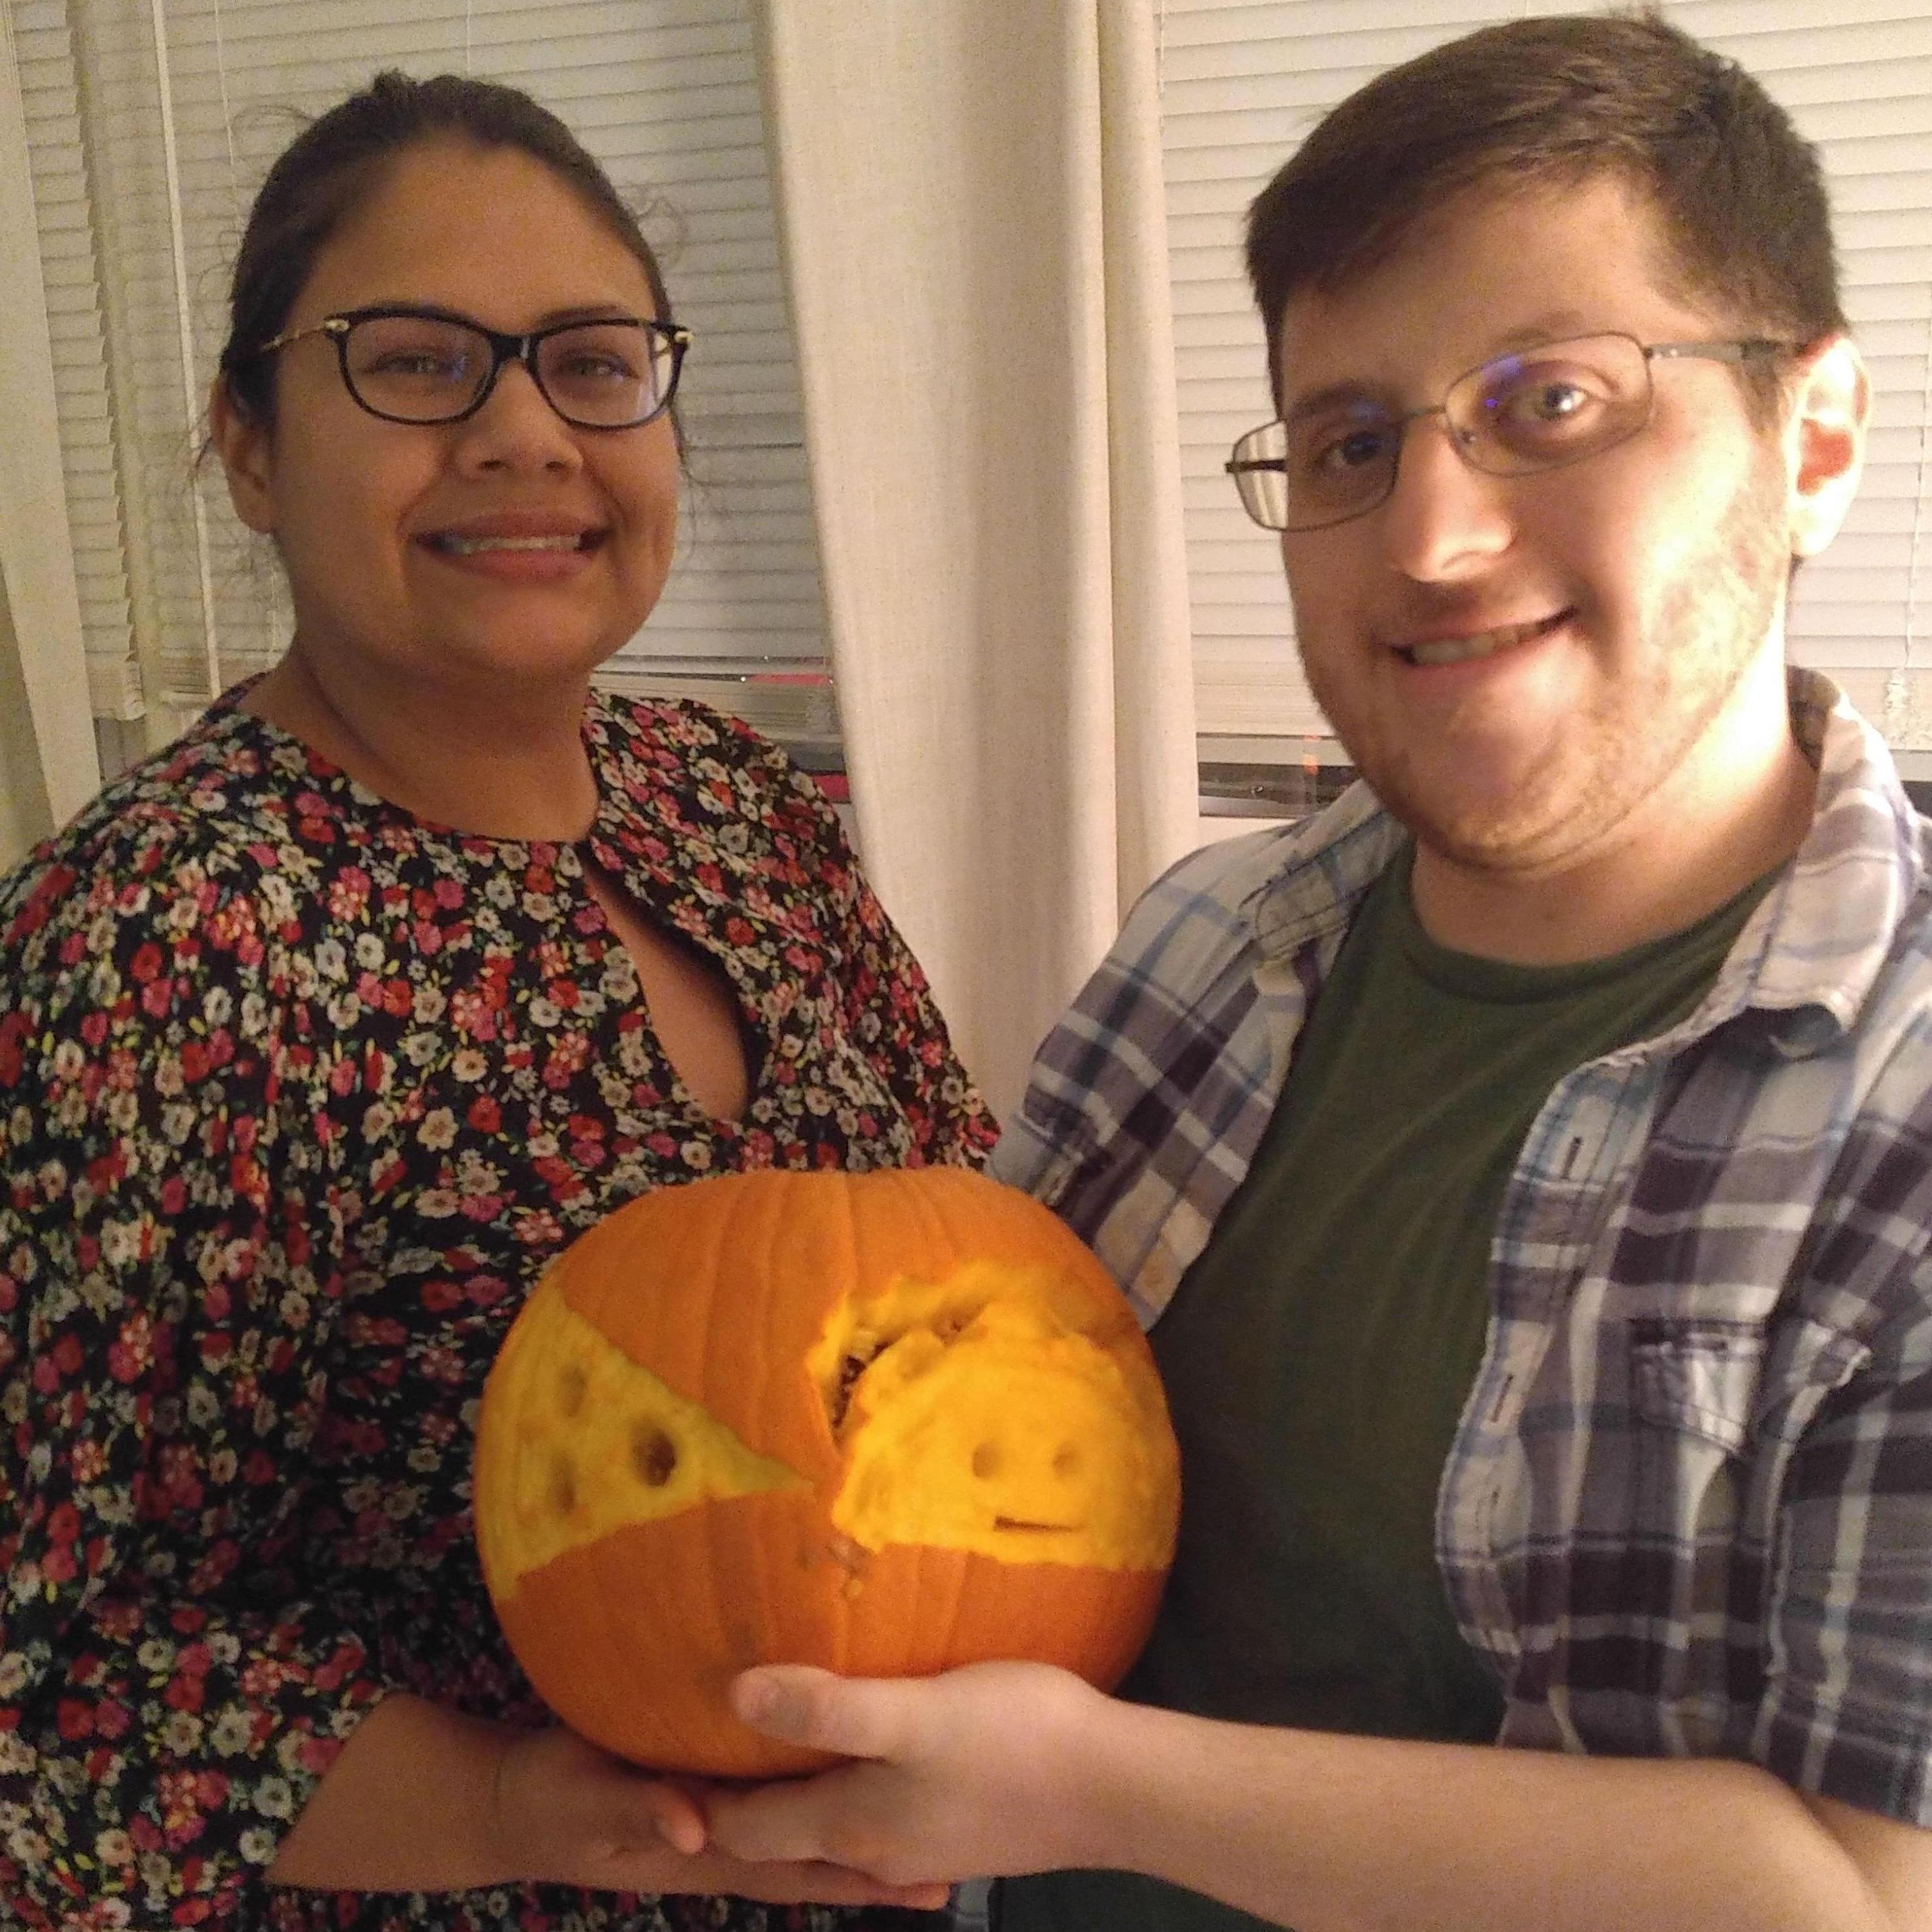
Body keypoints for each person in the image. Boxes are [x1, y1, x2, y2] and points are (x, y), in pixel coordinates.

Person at [699, 14, 1932, 1931]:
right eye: (1353, 441)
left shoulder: (1906, 1125)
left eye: (1554, 400)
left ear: (1817, 438)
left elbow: (1867, 1893)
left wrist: (1096, 1791)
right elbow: (954, 1468)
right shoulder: (1213, 945)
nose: (1430, 536)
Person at [0, 70, 987, 1932]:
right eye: (420, 363)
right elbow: (59, 1678)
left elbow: (958, 1256)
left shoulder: (731, 798)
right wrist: (519, 1807)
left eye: (593, 363)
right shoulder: (161, 947)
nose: (528, 431)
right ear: (255, 446)